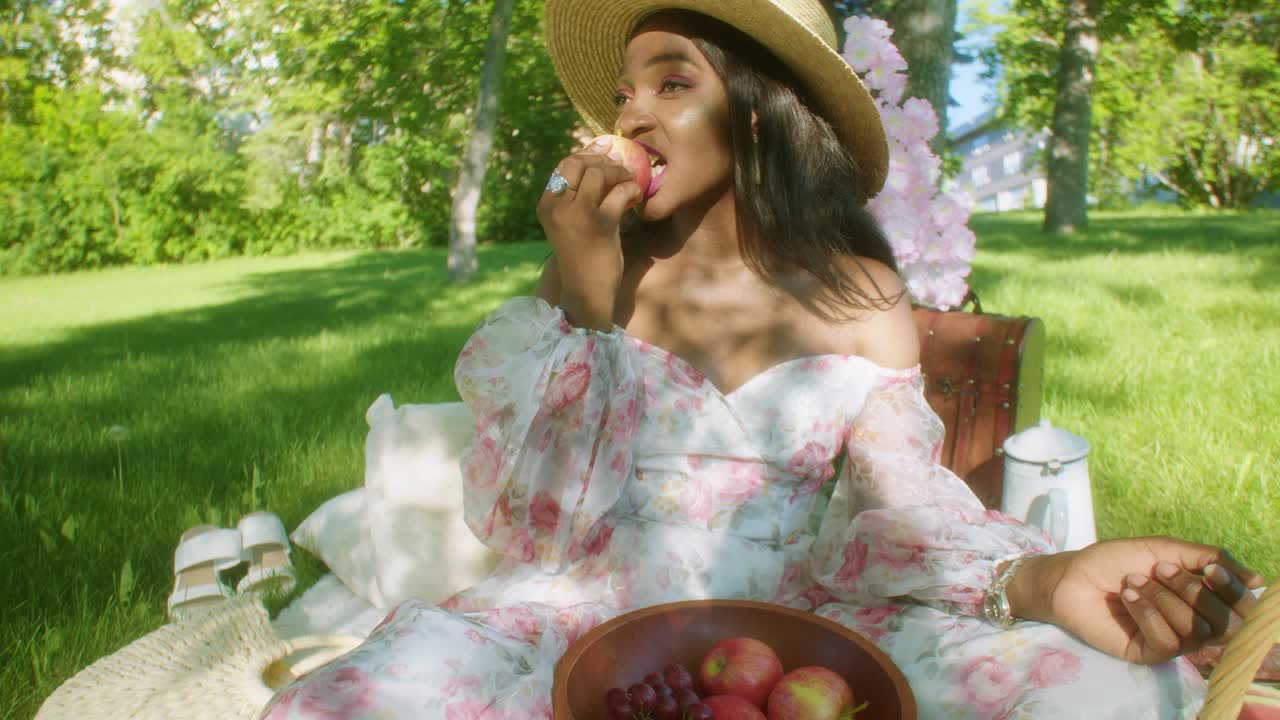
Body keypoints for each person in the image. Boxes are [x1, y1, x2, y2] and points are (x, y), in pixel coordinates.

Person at [261, 1, 1264, 717]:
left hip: (796, 623)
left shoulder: (858, 295)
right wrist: (586, 300)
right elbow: (528, 523)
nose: (630, 116)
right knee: (359, 696)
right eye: (622, 93)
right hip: (585, 614)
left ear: (753, 108)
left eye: (671, 81)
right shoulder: (590, 280)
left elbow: (896, 514)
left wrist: (1043, 579)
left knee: (1096, 687)